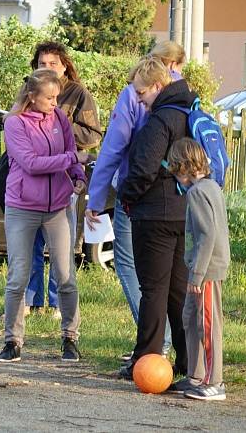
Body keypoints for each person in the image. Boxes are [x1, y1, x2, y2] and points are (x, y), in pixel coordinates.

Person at [84, 41, 186, 361]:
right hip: (184, 203)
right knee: (174, 284)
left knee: (139, 275)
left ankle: (152, 349)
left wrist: (102, 198)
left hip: (143, 201)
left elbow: (116, 150)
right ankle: (183, 356)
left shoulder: (140, 100)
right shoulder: (186, 100)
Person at [0, 69, 88, 364]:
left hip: (57, 206)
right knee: (18, 276)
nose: (54, 103)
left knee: (65, 276)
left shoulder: (59, 118)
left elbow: (70, 149)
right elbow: (31, 164)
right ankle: (12, 341)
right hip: (22, 207)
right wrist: (73, 160)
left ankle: (70, 338)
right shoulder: (14, 124)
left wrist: (78, 175)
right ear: (31, 97)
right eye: (49, 97)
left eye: (57, 97)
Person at [117, 56, 196, 380]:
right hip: (183, 212)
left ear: (158, 86)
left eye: (141, 92)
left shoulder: (160, 121)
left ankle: (146, 360)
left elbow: (143, 170)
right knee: (178, 291)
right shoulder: (188, 113)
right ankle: (189, 360)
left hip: (154, 216)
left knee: (153, 290)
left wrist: (126, 197)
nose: (138, 99)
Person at [25, 42, 102, 317]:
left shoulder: (77, 93)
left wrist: (57, 122)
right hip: (32, 179)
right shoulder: (28, 90)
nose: (47, 68)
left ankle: (58, 303)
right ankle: (31, 302)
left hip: (65, 176)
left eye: (53, 63)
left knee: (61, 247)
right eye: (42, 63)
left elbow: (93, 135)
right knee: (31, 245)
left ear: (64, 65)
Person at [166, 138, 230, 401]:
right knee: (190, 319)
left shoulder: (199, 192)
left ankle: (215, 382)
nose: (173, 174)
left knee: (207, 324)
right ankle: (196, 374)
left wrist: (197, 274)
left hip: (207, 271)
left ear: (184, 166)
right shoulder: (210, 186)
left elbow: (208, 234)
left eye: (174, 168)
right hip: (201, 269)